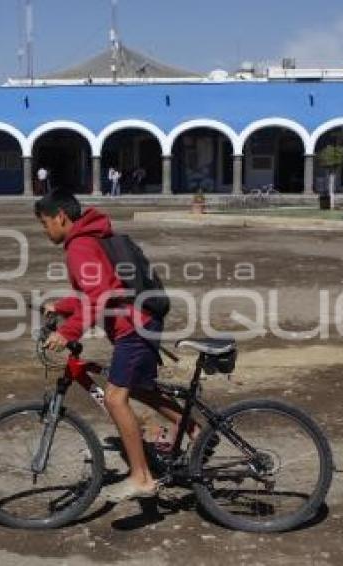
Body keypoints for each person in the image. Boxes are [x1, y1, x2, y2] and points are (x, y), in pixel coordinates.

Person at [34, 191, 196, 503]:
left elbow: (100, 295)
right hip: (140, 319)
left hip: (132, 325)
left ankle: (141, 478)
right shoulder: (90, 237)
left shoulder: (79, 246)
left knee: (114, 397)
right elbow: (102, 290)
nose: (45, 231)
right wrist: (63, 306)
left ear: (61, 217)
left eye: (44, 224)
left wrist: (68, 332)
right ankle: (192, 428)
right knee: (136, 387)